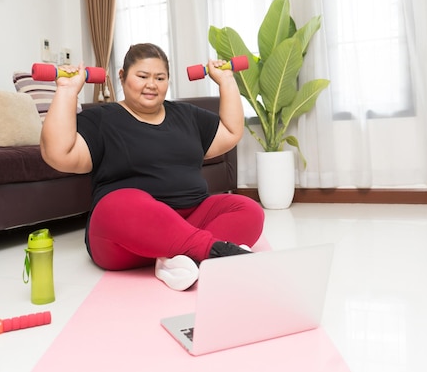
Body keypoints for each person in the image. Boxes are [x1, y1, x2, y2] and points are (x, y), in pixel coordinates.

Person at [40, 43, 265, 291]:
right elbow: (57, 154)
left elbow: (231, 132)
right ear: (122, 76)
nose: (152, 84)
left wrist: (226, 81)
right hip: (127, 235)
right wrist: (67, 91)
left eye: (160, 78)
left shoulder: (186, 115)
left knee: (248, 209)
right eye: (142, 76)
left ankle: (176, 259)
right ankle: (213, 251)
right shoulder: (103, 119)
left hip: (192, 218)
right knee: (117, 204)